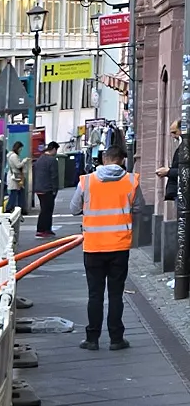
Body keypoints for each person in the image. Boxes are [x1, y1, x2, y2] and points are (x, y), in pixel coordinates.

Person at [70, 139, 145, 351]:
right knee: (115, 294)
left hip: (93, 246)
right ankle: (116, 339)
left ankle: (92, 339)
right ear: (122, 161)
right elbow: (139, 207)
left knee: (94, 294)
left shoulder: (87, 181)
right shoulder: (131, 181)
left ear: (103, 160)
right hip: (119, 247)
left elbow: (74, 208)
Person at [32, 142, 61, 238]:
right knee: (47, 209)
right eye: (56, 150)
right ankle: (42, 229)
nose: (56, 152)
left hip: (39, 188)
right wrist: (55, 189)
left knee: (44, 208)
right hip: (48, 188)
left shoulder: (40, 159)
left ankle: (46, 229)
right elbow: (54, 176)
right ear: (53, 149)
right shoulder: (52, 160)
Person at [5, 140, 27, 214]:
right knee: (14, 193)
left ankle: (17, 207)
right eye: (20, 148)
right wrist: (24, 161)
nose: (21, 150)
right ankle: (9, 208)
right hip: (14, 177)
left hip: (13, 176)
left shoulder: (10, 155)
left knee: (17, 192)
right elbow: (18, 165)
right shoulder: (14, 156)